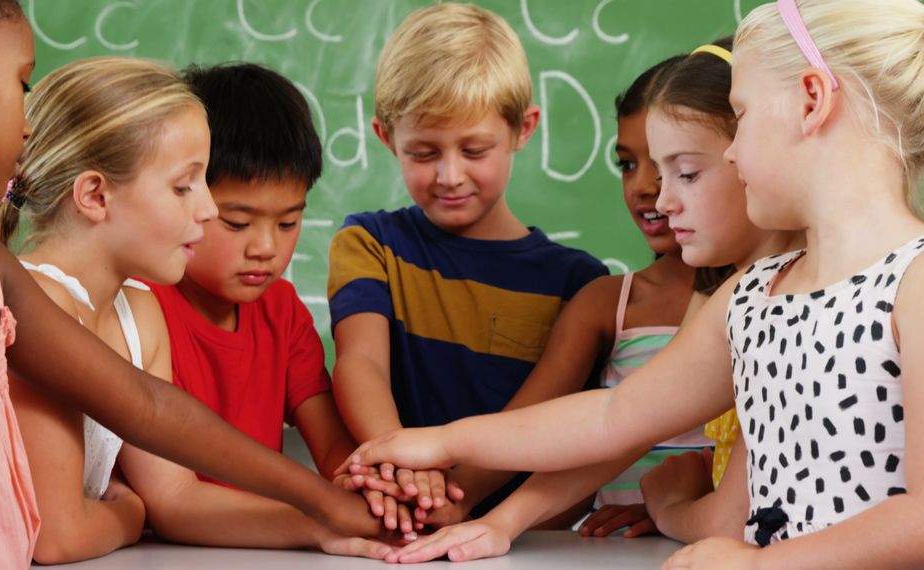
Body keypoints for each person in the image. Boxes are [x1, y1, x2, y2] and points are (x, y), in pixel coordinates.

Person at [346, 1, 924, 566]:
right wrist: (446, 443)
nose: (735, 150)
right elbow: (614, 416)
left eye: (741, 117)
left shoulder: (914, 280)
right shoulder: (754, 294)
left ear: (812, 101)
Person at [0, 3, 386, 566]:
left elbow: (148, 406)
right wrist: (132, 513)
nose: (28, 125)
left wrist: (324, 506)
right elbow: (63, 525)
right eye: (21, 83)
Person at [327, 1, 606, 532]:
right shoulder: (369, 244)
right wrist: (408, 466)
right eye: (424, 153)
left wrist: (457, 491)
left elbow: (542, 417)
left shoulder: (579, 285)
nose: (450, 175)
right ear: (387, 138)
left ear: (523, 130)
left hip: (535, 543)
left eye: (475, 149)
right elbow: (360, 364)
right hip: (401, 521)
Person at [116, 62, 393, 556]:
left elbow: (332, 450)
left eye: (288, 223)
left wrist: (380, 493)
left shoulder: (282, 311)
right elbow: (172, 502)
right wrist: (318, 522)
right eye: (237, 223)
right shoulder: (138, 308)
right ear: (185, 195)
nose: (266, 248)